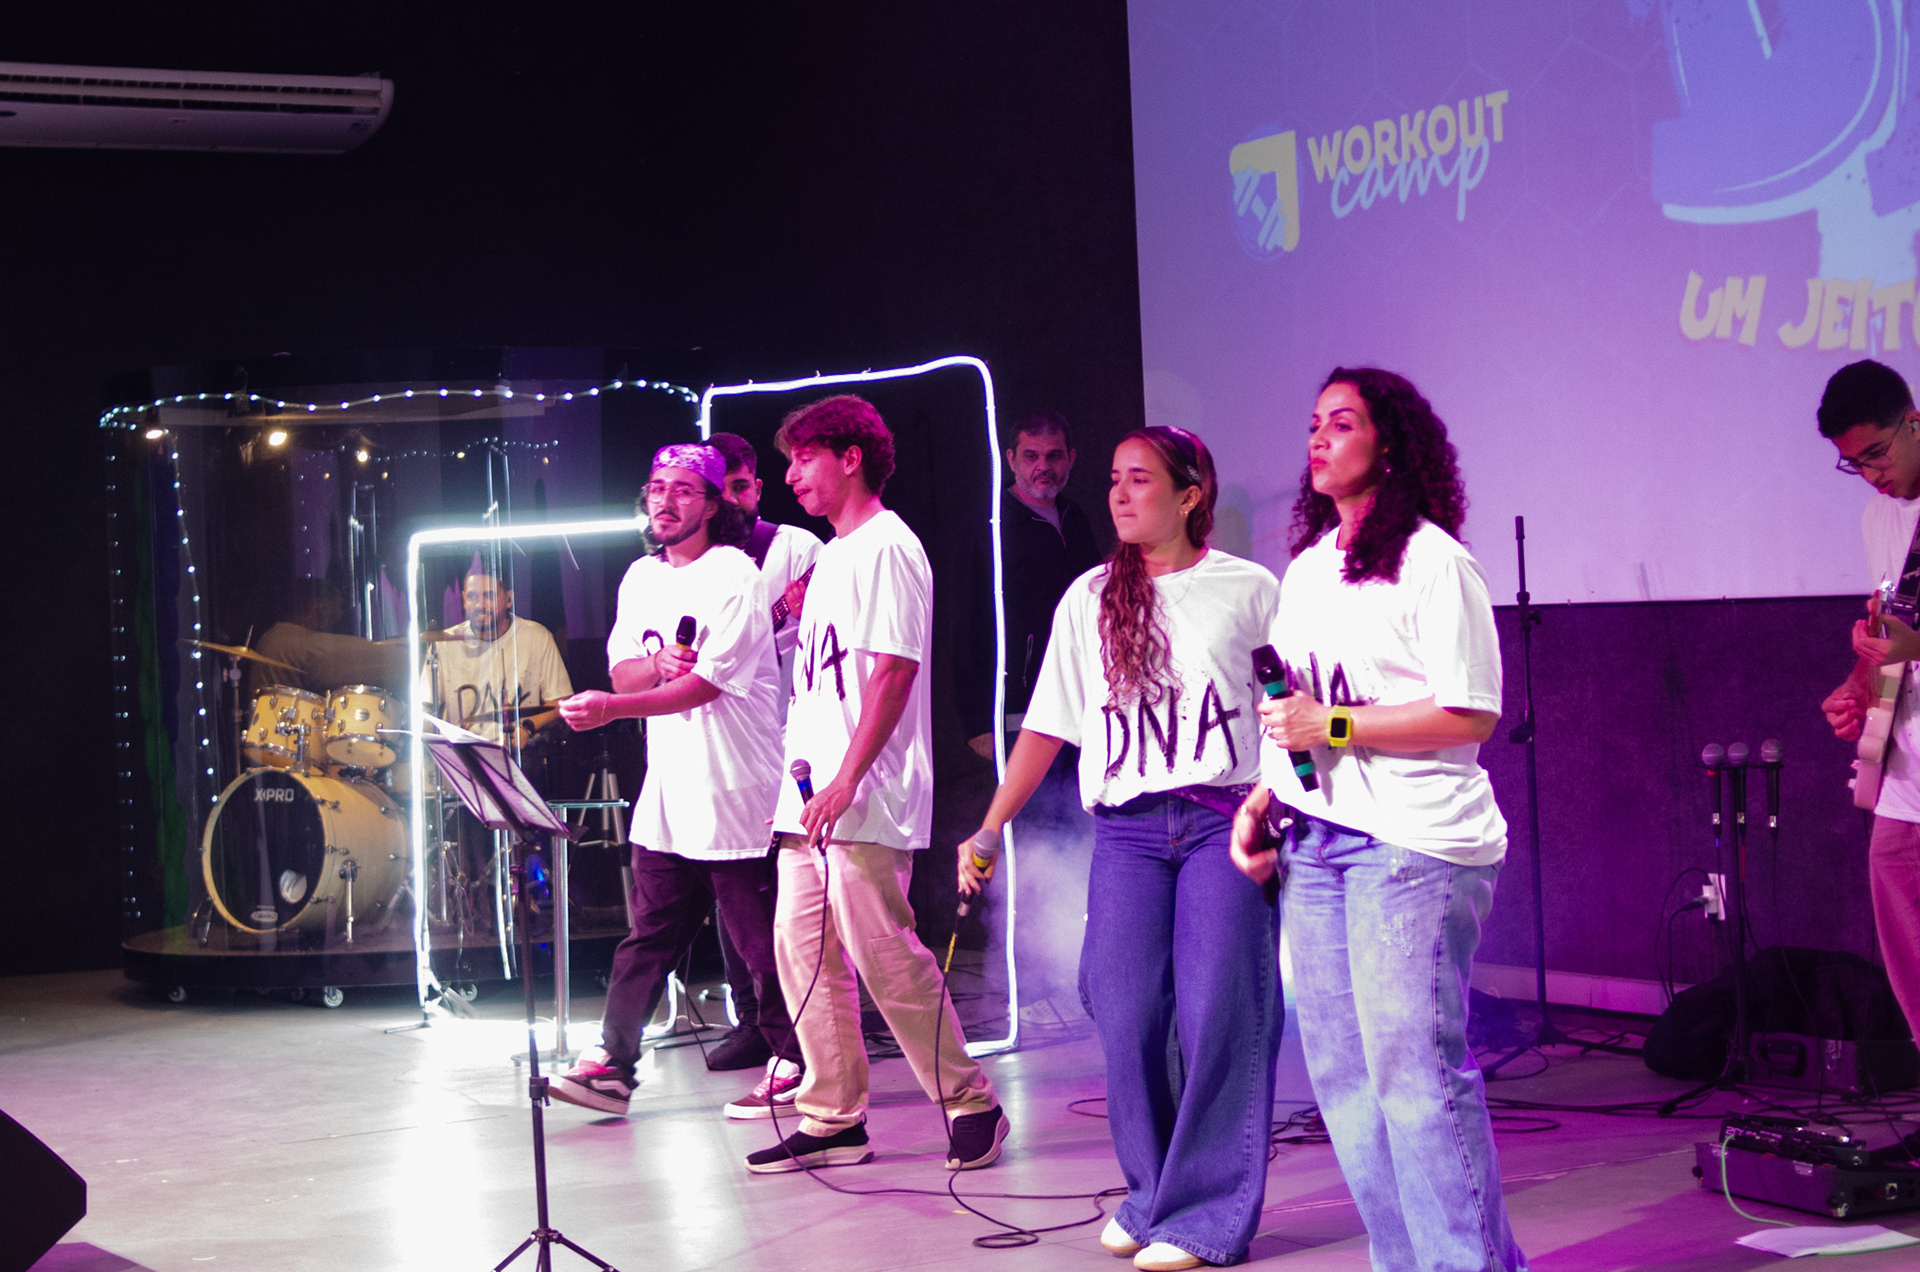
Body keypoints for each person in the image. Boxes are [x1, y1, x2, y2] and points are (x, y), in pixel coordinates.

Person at [959, 426, 1281, 1272]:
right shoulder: (1090, 597)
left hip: (1222, 821)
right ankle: (1154, 1195)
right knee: (1124, 1004)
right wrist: (989, 828)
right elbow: (1047, 726)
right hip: (1129, 832)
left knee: (1218, 1011)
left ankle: (1207, 1214)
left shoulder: (1248, 590)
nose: (1119, 493)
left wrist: (1281, 811)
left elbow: (1287, 711)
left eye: (1140, 479)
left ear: (1190, 495)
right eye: (1113, 479)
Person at [1232, 367, 1525, 1272]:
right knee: (1344, 1080)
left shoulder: (1435, 562)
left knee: (1414, 1076)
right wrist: (1265, 796)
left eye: (1343, 423)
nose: (1319, 438)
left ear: (1389, 444)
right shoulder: (1309, 569)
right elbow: (1292, 708)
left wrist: (1336, 726)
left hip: (1414, 846)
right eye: (1314, 423)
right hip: (1318, 841)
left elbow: (1470, 711)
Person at [747, 394, 1008, 1175]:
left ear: (850, 457)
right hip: (809, 793)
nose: (792, 476)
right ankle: (833, 1116)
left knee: (884, 953)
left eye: (805, 459)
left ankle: (970, 1101)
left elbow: (894, 672)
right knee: (803, 950)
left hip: (863, 793)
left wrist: (847, 778)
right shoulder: (834, 556)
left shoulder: (889, 545)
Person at [549, 443, 804, 1120]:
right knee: (647, 937)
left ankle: (795, 1060)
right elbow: (626, 668)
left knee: (759, 943)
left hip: (734, 790)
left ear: (714, 504)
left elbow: (704, 686)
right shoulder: (641, 577)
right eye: (657, 486)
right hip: (669, 795)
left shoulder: (735, 574)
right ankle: (613, 1064)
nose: (664, 500)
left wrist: (615, 706)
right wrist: (650, 670)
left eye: (684, 489)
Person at [700, 430, 822, 1073]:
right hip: (725, 745)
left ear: (758, 487)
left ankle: (810, 1020)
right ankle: (752, 1018)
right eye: (719, 491)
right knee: (734, 882)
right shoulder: (690, 563)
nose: (731, 501)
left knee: (796, 886)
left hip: (792, 741)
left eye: (741, 487)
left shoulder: (797, 549)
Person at [1818, 359, 1920, 1043]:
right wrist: (1856, 684)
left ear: (1914, 424)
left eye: (1877, 453)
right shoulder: (1878, 517)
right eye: (1853, 463)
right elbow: (1888, 625)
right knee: (1907, 957)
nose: (1871, 474)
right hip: (1904, 776)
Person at [953, 411, 1101, 757]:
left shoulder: (1075, 518)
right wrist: (978, 724)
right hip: (1020, 716)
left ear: (1071, 458)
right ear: (1011, 460)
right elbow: (965, 626)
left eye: (1054, 455)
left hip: (1083, 708)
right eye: (1031, 456)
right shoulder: (987, 526)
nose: (1043, 466)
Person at [423, 570, 571, 749]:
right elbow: (424, 707)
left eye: (489, 596)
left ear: (509, 599)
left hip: (521, 752)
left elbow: (561, 702)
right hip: (463, 754)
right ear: (463, 600)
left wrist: (527, 727)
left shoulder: (536, 636)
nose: (480, 605)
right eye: (472, 596)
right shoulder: (444, 644)